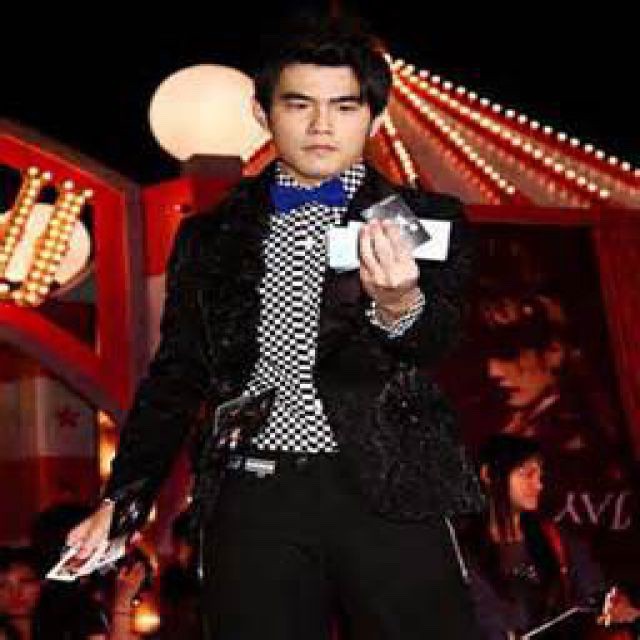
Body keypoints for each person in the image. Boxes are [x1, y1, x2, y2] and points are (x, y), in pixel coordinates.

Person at [67, 17, 483, 639]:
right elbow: (177, 375)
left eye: (344, 106)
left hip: (389, 484)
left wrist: (399, 303)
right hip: (254, 490)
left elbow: (441, 340)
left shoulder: (426, 220)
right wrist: (123, 498)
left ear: (372, 118)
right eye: (299, 104)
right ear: (263, 114)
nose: (321, 125)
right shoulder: (211, 236)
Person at [460, 434, 633, 639]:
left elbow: (594, 590)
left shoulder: (555, 538)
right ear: (488, 475)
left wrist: (610, 604)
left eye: (540, 475)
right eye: (527, 474)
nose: (538, 485)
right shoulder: (463, 550)